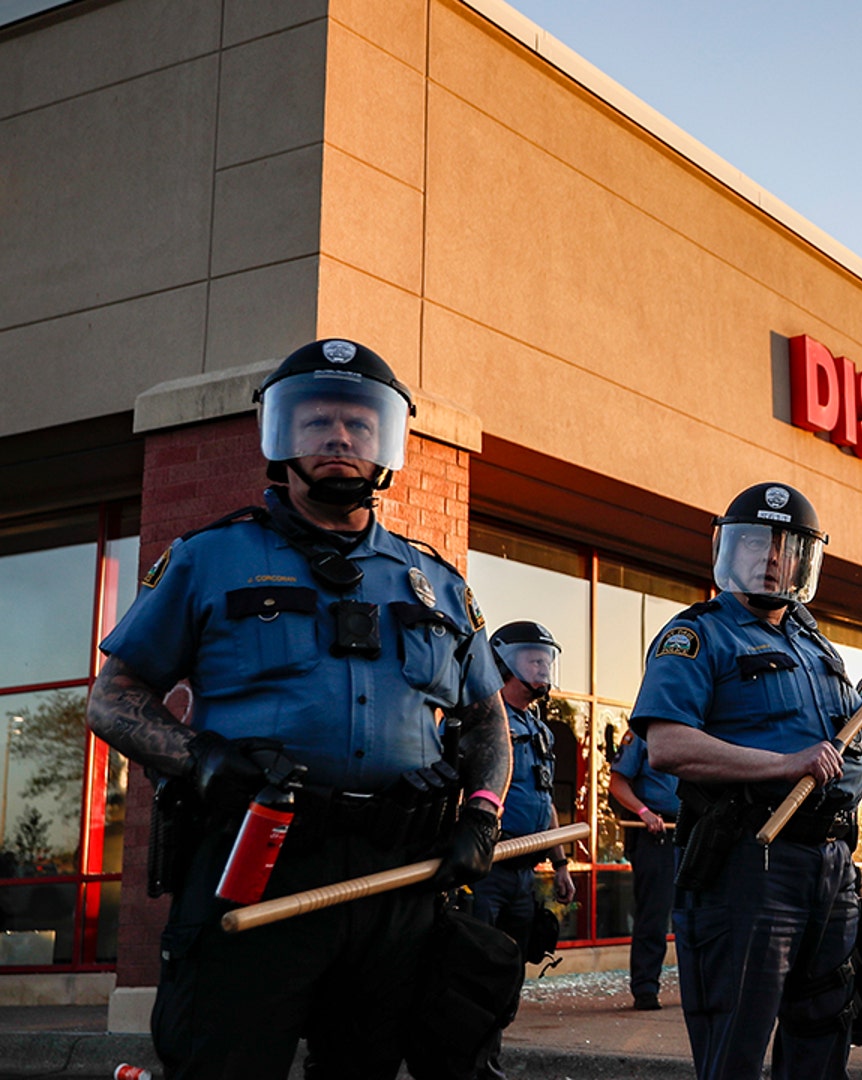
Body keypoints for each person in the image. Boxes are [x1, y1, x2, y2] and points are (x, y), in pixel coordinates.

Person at [85, 338, 511, 1077]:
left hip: (396, 875)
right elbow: (113, 700)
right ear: (280, 439)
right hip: (257, 859)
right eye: (317, 421)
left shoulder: (435, 582)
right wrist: (201, 758)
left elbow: (486, 724)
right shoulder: (206, 558)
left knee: (366, 1067)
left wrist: (481, 813)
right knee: (225, 1062)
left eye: (359, 424)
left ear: (386, 446)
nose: (340, 437)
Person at [632, 482, 862, 1080]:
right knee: (735, 1042)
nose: (768, 559)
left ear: (803, 562)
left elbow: (857, 746)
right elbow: (666, 746)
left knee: (824, 1038)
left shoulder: (818, 646)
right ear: (726, 551)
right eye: (754, 545)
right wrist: (783, 764)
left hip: (830, 865)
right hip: (748, 864)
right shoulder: (699, 635)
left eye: (783, 549)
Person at [464, 620, 576, 1078]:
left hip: (525, 874)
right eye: (533, 658)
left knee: (510, 973)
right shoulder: (483, 721)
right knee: (473, 971)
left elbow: (546, 800)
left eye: (546, 658)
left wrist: (562, 865)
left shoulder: (541, 730)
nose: (542, 666)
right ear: (504, 663)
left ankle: (489, 1060)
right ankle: (465, 1063)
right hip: (486, 868)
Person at [609, 725, 679, 1011]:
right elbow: (617, 782)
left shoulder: (695, 728)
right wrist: (644, 812)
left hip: (688, 828)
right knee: (654, 912)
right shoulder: (641, 733)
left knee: (696, 911)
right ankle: (646, 988)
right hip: (654, 831)